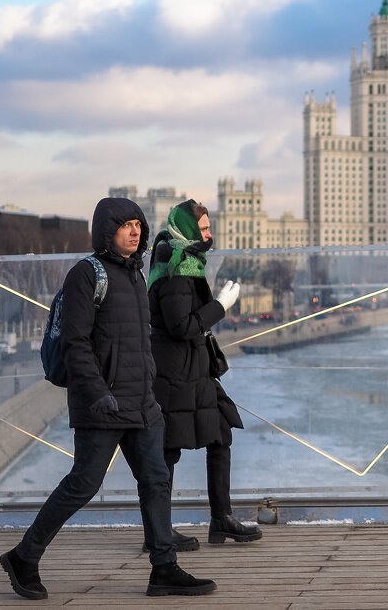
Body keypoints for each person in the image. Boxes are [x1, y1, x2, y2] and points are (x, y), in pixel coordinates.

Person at [0, 197, 215, 600]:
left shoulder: (135, 274)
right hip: (103, 403)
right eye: (125, 225)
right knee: (84, 483)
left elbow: (139, 342)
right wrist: (98, 393)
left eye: (138, 224)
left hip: (141, 402)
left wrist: (150, 384)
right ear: (106, 230)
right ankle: (23, 556)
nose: (134, 231)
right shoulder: (86, 274)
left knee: (156, 480)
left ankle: (163, 567)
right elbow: (75, 342)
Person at [147, 200, 262, 548]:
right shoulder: (176, 266)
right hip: (175, 371)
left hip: (191, 368)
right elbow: (182, 326)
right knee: (168, 449)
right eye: (205, 228)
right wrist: (221, 307)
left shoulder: (186, 261)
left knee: (220, 433)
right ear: (189, 230)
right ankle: (160, 533)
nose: (210, 234)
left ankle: (221, 520)